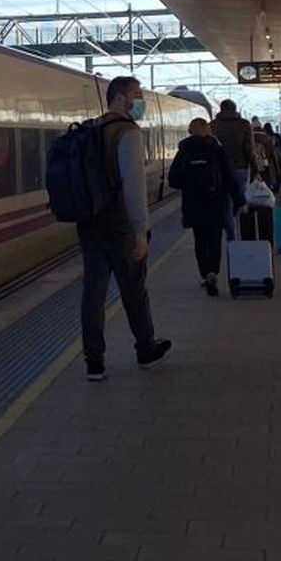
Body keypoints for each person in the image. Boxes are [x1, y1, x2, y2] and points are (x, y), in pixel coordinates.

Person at [78, 76, 172, 381]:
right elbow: (134, 186)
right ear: (119, 98)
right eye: (137, 94)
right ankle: (145, 349)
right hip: (120, 226)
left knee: (93, 292)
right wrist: (140, 231)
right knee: (134, 290)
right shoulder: (128, 133)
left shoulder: (91, 128)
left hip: (91, 224)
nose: (141, 100)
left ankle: (94, 361)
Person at [168, 117, 246, 296]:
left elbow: (173, 179)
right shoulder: (217, 150)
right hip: (216, 201)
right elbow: (229, 178)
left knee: (200, 240)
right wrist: (240, 201)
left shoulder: (184, 151)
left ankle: (205, 273)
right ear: (208, 130)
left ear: (190, 130)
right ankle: (213, 272)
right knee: (215, 239)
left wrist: (189, 184)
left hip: (193, 203)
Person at [210, 99, 257, 241]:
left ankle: (231, 236)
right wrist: (255, 168)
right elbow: (249, 149)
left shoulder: (213, 125)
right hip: (240, 168)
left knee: (225, 203)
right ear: (235, 109)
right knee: (239, 203)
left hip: (219, 171)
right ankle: (238, 235)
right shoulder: (244, 124)